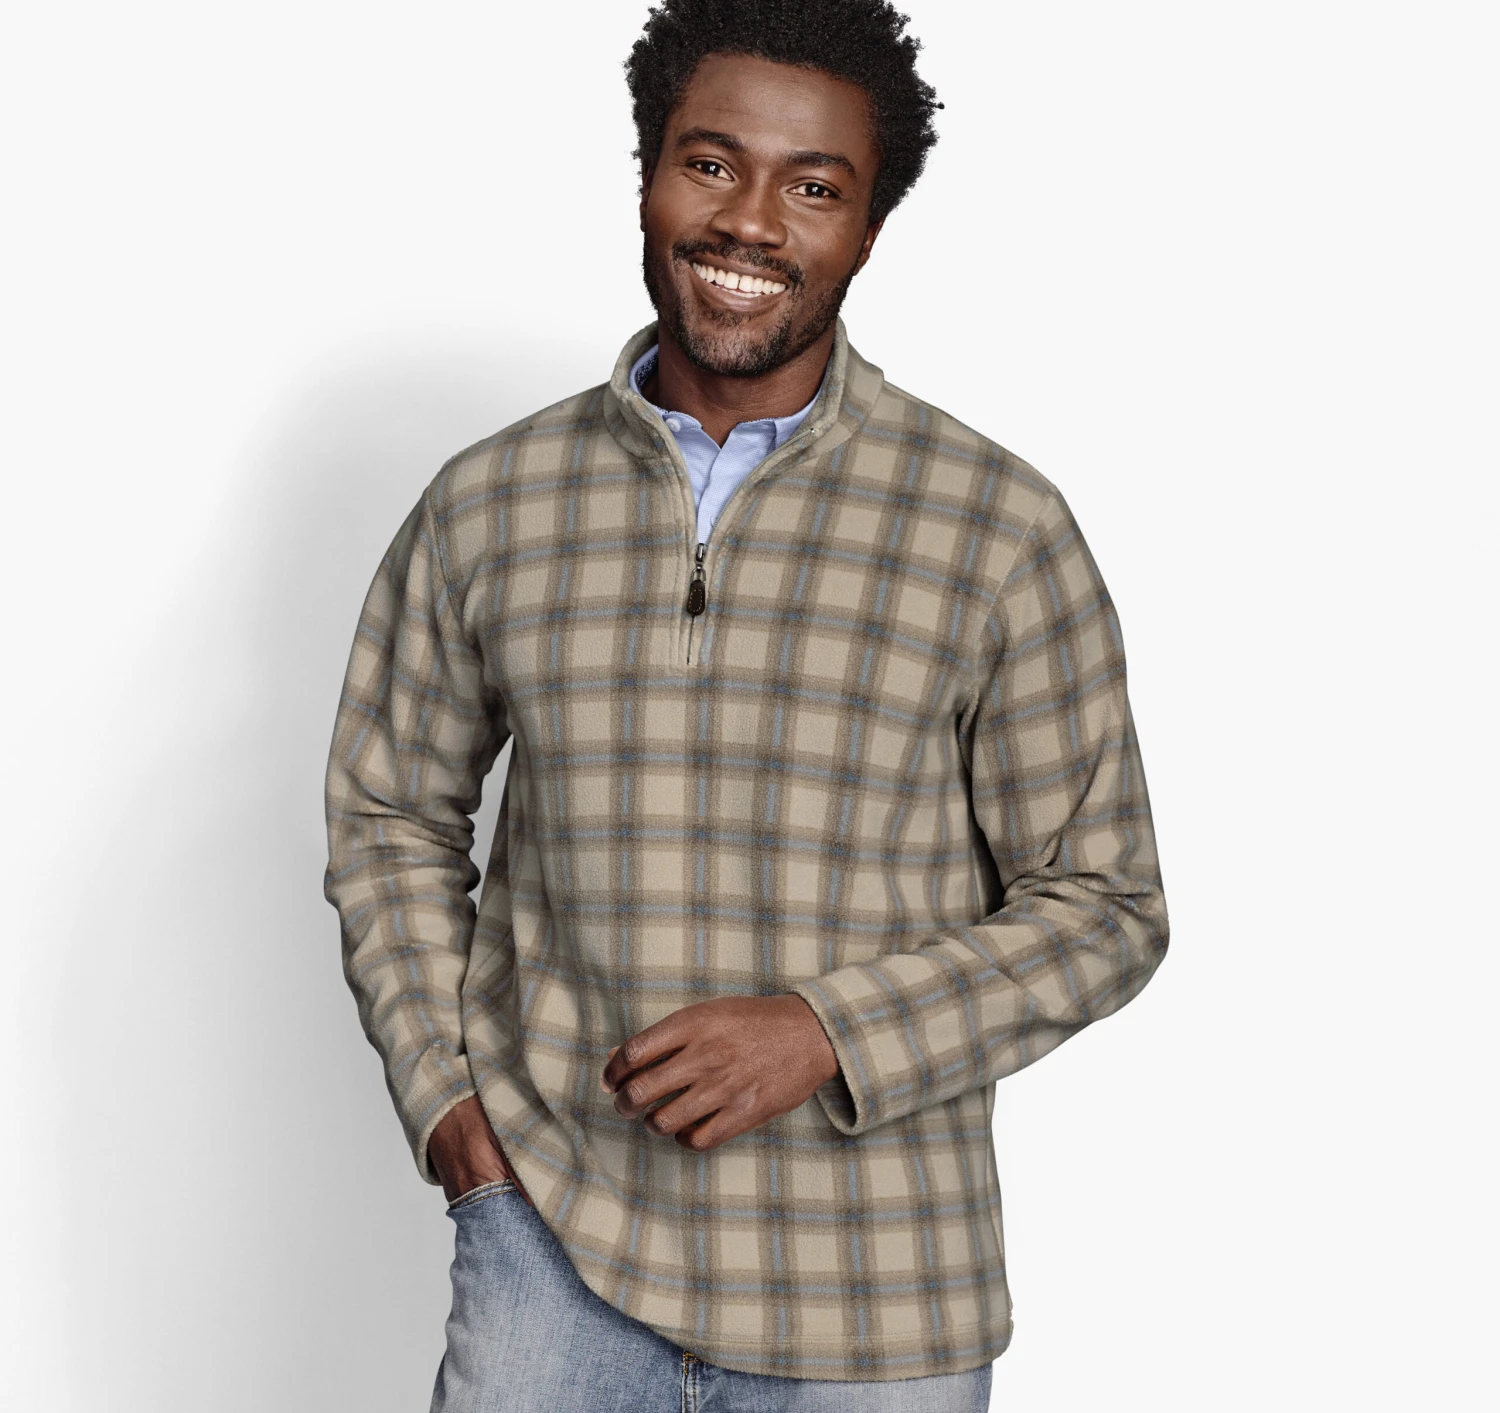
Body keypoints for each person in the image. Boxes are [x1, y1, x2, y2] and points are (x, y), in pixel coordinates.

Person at [323, 2, 1169, 1408]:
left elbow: (1106, 905)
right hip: (550, 1259)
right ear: (649, 175)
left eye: (814, 187)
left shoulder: (996, 526)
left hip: (879, 1297)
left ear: (869, 229)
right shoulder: (490, 502)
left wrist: (826, 1032)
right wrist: (447, 1107)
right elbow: (389, 815)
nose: (750, 222)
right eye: (711, 164)